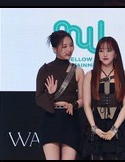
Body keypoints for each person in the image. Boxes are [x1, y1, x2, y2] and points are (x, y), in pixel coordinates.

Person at [36, 31, 83, 161]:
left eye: (71, 45)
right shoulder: (45, 70)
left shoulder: (78, 71)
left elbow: (83, 99)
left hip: (70, 121)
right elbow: (39, 98)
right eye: (64, 46)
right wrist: (50, 94)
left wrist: (73, 105)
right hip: (51, 121)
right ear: (54, 49)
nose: (69, 49)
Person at [82, 37, 125, 160]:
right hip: (96, 125)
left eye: (109, 50)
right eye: (101, 50)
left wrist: (114, 129)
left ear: (115, 54)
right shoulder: (90, 75)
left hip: (118, 126)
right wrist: (94, 128)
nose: (105, 54)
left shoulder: (124, 75)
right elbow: (87, 105)